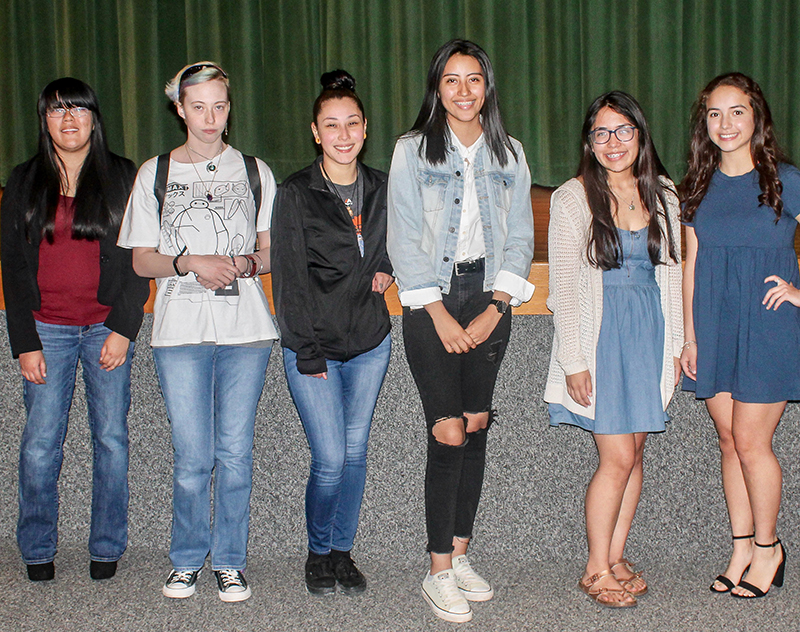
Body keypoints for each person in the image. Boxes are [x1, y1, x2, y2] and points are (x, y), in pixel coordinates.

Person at [117, 61, 278, 602]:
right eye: (199, 106)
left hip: (246, 331)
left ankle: (229, 560)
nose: (210, 118)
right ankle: (187, 558)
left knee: (235, 452)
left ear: (229, 109)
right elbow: (141, 260)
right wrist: (190, 263)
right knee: (192, 455)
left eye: (220, 105)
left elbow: (270, 250)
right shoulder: (154, 173)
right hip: (179, 332)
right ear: (180, 109)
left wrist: (245, 265)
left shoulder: (255, 171)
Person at [387, 39, 534, 623]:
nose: (465, 91)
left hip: (490, 297)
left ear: (488, 87)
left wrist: (499, 305)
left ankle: (463, 556)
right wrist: (440, 315)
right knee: (447, 430)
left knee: (476, 424)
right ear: (437, 87)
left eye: (474, 80)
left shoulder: (511, 153)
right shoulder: (410, 151)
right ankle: (437, 570)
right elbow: (401, 236)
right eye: (452, 80)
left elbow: (521, 236)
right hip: (432, 300)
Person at [1, 77, 150, 582]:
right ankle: (38, 548)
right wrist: (24, 342)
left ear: (94, 118)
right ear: (44, 120)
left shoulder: (124, 177)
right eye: (57, 111)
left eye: (79, 110)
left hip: (105, 328)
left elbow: (137, 261)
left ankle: (106, 546)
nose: (69, 120)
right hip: (48, 331)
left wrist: (123, 328)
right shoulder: (22, 181)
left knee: (111, 439)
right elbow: (13, 269)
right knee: (41, 444)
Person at [544, 92, 683, 607]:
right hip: (602, 337)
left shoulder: (664, 193)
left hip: (649, 333)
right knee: (617, 456)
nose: (613, 142)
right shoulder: (572, 198)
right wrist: (573, 360)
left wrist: (677, 345)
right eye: (601, 133)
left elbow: (673, 275)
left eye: (623, 130)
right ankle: (595, 568)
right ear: (589, 142)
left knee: (636, 451)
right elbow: (564, 288)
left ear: (640, 135)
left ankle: (617, 555)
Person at [272, 70, 393, 596]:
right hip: (314, 347)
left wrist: (388, 263)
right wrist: (308, 350)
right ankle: (318, 552)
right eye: (331, 125)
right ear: (316, 132)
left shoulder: (385, 186)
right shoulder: (296, 192)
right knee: (329, 458)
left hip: (370, 342)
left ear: (365, 129)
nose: (343, 135)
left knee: (356, 451)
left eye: (352, 124)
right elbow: (290, 280)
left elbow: (398, 243)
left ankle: (344, 552)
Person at [680, 72, 799, 599]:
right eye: (714, 114)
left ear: (757, 118)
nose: (725, 124)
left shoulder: (785, 179)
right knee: (728, 440)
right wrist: (690, 337)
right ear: (704, 124)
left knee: (753, 441)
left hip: (768, 321)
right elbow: (691, 263)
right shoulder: (695, 187)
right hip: (715, 323)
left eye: (736, 112)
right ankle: (742, 546)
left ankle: (770, 549)